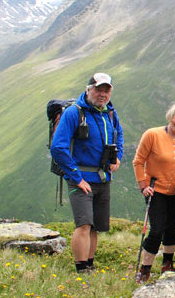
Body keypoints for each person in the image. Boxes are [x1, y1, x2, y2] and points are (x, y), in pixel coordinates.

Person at [50, 73, 124, 273]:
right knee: (84, 224)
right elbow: (58, 147)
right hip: (81, 179)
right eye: (98, 89)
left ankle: (89, 266)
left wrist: (118, 157)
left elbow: (119, 135)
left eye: (106, 90)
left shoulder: (110, 113)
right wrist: (76, 177)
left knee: (95, 227)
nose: (102, 94)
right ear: (88, 89)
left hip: (102, 178)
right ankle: (81, 268)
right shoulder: (74, 113)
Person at [132, 101, 175, 283]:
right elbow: (138, 161)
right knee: (157, 229)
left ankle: (167, 263)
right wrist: (143, 185)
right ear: (171, 116)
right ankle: (145, 269)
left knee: (172, 229)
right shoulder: (152, 134)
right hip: (156, 190)